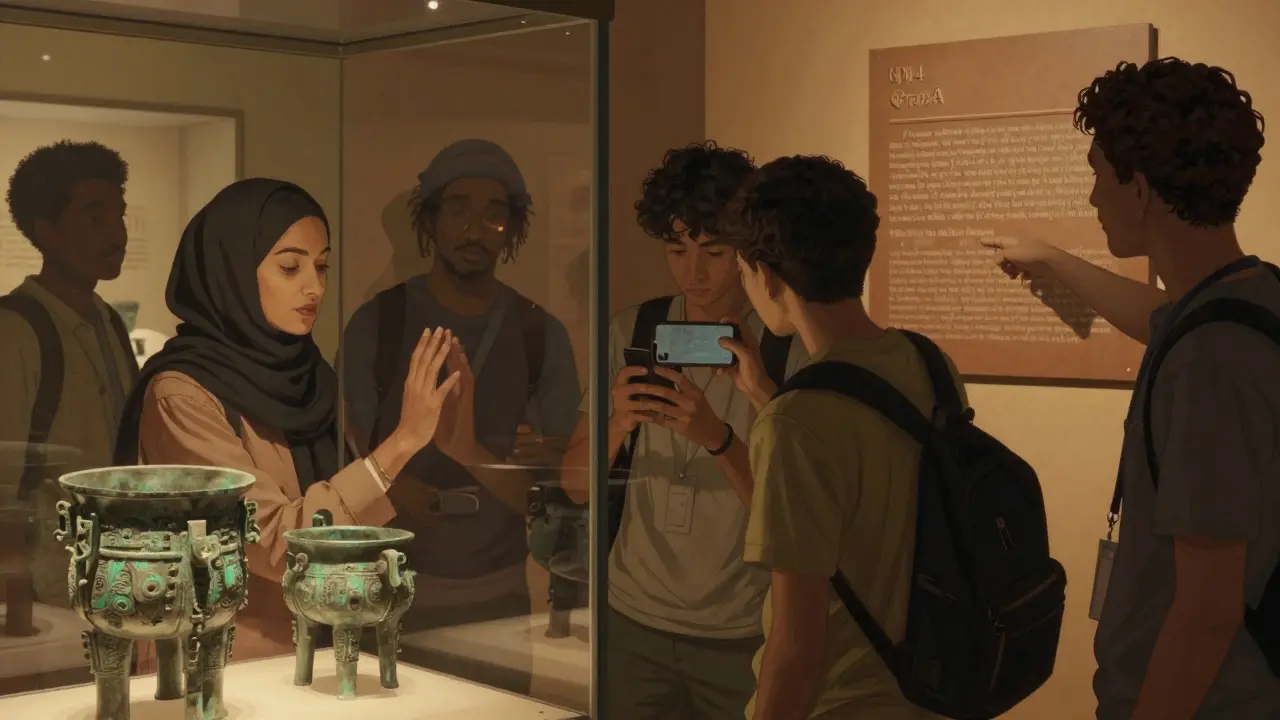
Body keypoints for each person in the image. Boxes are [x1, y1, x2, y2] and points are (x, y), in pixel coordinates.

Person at [984, 58, 1280, 719]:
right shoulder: (1248, 298)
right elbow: (1157, 316)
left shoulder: (1210, 365)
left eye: (1098, 175)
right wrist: (1054, 260)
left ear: (1140, 190)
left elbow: (1207, 610)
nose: (1092, 198)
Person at [114, 178, 461, 668]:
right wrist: (402, 442)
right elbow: (274, 543)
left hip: (313, 650)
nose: (314, 286)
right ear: (233, 269)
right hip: (223, 664)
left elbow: (347, 503)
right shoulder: (182, 393)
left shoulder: (310, 378)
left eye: (322, 266)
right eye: (291, 266)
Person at [559, 141, 807, 720]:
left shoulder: (780, 346)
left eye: (714, 252)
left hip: (739, 627)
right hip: (631, 619)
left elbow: (790, 513)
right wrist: (618, 420)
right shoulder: (635, 328)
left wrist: (718, 437)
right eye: (677, 249)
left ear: (745, 248)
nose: (693, 271)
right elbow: (575, 485)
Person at [721, 154, 966, 720]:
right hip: (933, 692)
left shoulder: (795, 424)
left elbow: (796, 646)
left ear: (768, 275)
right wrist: (766, 397)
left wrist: (775, 412)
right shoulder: (929, 362)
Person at [341, 139, 581, 692]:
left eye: (494, 213)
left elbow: (555, 490)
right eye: (459, 209)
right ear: (431, 218)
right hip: (386, 586)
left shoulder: (538, 333)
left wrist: (483, 458)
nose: (476, 228)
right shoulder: (378, 324)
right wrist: (392, 491)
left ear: (512, 225)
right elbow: (340, 450)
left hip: (499, 593)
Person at [0, 141, 138, 630]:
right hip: (47, 597)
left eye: (119, 215)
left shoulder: (107, 321)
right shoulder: (17, 329)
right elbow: (4, 486)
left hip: (116, 582)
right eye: (93, 217)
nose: (117, 233)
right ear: (46, 231)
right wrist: (17, 613)